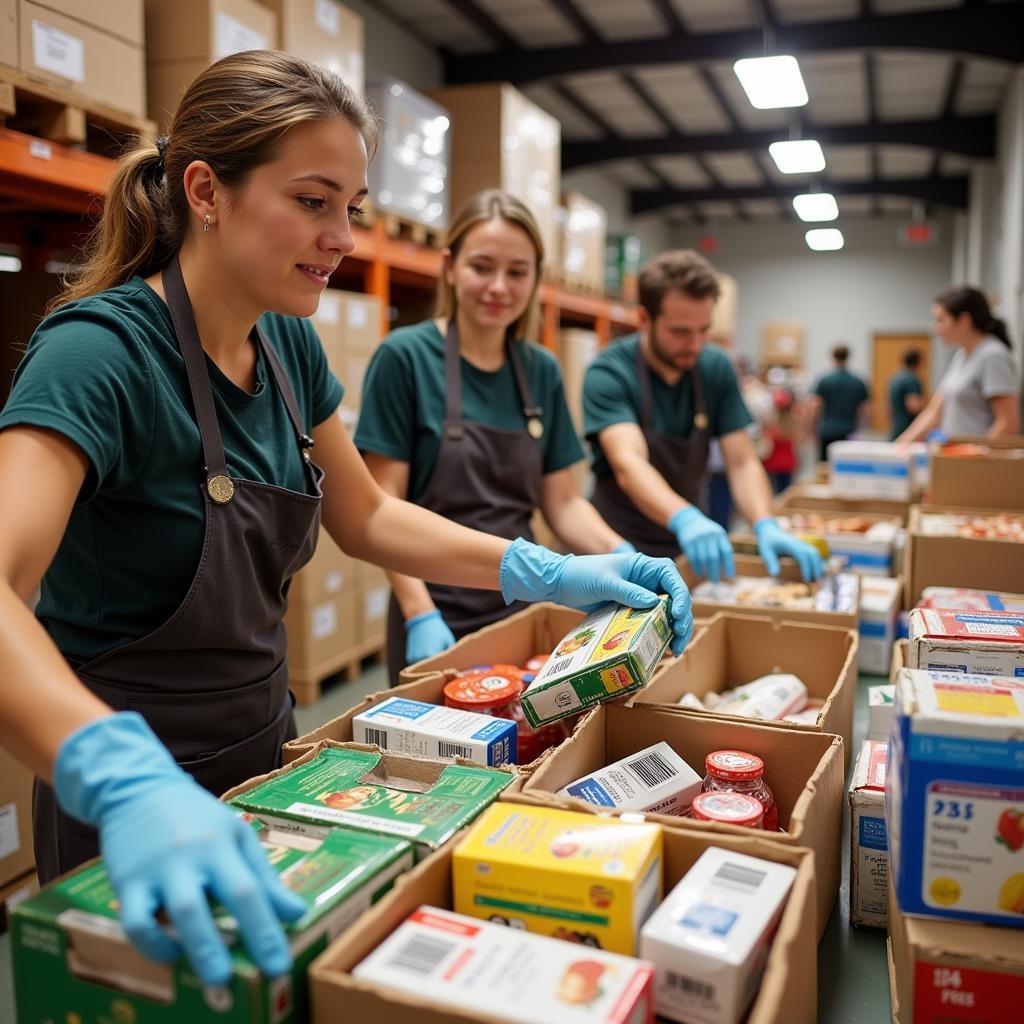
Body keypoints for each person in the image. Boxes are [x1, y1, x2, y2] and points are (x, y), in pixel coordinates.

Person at [0, 52, 694, 990]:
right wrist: (115, 773)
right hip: (132, 804)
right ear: (205, 190)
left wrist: (547, 570)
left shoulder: (285, 342)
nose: (340, 236)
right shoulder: (97, 356)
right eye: (314, 201)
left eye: (354, 208)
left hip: (269, 754)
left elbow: (368, 517)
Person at [355, 191, 631, 684]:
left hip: (521, 606)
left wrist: (620, 554)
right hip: (434, 607)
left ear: (535, 278)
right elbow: (381, 504)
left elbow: (563, 504)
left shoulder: (540, 370)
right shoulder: (406, 357)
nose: (499, 287)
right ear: (451, 267)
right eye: (482, 267)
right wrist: (419, 612)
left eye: (517, 272)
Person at [583, 249, 822, 584]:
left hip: (687, 549)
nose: (694, 344)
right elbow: (629, 464)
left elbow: (741, 461)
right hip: (617, 546)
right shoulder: (611, 372)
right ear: (644, 319)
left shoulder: (714, 367)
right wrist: (686, 518)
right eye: (680, 332)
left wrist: (765, 522)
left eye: (703, 330)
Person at [896, 285, 1020, 441]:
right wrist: (899, 446)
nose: (935, 328)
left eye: (940, 320)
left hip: (974, 462)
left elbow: (1007, 423)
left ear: (964, 320)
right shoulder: (961, 356)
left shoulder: (993, 355)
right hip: (958, 458)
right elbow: (934, 411)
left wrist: (976, 460)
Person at [809, 344, 870, 462]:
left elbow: (815, 406)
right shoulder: (858, 381)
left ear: (833, 357)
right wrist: (862, 427)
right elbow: (865, 410)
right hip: (849, 431)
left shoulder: (824, 380)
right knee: (846, 466)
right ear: (848, 357)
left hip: (827, 431)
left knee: (825, 466)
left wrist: (812, 429)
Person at [888, 348, 925, 440]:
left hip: (896, 426)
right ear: (918, 362)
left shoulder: (895, 378)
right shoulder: (912, 380)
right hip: (908, 429)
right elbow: (913, 406)